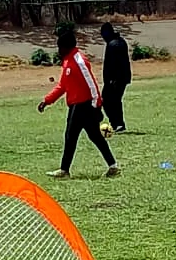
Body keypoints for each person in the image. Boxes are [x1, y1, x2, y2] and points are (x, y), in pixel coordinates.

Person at [38, 26, 120, 179]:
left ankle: (64, 170)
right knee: (95, 136)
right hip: (75, 105)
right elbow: (62, 86)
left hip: (84, 105)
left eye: (59, 47)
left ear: (66, 47)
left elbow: (92, 83)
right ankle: (113, 166)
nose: (58, 51)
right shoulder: (68, 61)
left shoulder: (79, 60)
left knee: (71, 136)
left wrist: (97, 104)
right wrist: (47, 101)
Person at [100, 22, 131, 133]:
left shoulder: (113, 45)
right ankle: (117, 123)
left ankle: (117, 123)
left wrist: (111, 80)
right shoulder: (121, 41)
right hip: (123, 78)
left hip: (115, 79)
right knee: (115, 101)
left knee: (110, 101)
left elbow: (112, 64)